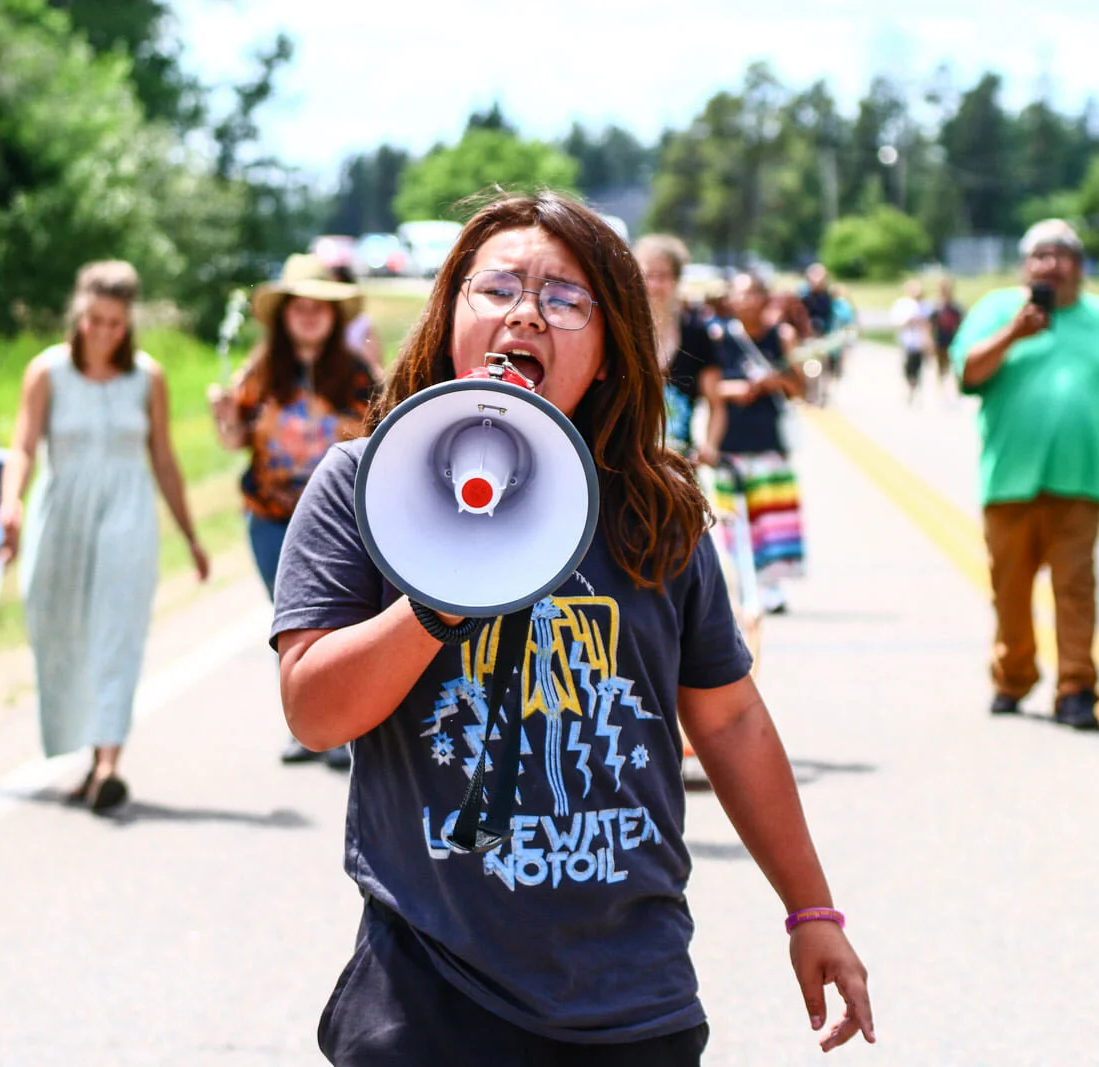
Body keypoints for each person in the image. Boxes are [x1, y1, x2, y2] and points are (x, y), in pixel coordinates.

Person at [271, 192, 872, 1065]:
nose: (526, 312)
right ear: (448, 322)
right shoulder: (365, 486)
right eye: (499, 288)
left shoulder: (654, 507)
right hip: (430, 993)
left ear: (608, 350)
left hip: (631, 998)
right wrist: (438, 598)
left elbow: (730, 719)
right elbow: (314, 711)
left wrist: (811, 910)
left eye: (565, 299)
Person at [0, 261, 210, 813]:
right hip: (60, 511)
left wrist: (190, 535)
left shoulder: (148, 377)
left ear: (128, 321)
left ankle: (109, 763)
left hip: (127, 513)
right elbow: (21, 446)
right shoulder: (46, 372)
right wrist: (9, 504)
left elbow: (163, 458)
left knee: (117, 629)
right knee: (59, 631)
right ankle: (89, 757)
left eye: (115, 322)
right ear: (78, 313)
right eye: (95, 319)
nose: (104, 332)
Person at [950, 219, 1099, 730]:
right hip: (1010, 480)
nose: (1051, 265)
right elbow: (968, 374)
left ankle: (1076, 687)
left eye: (1062, 255)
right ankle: (1012, 676)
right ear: (1026, 266)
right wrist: (1015, 332)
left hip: (1080, 478)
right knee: (1009, 589)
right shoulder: (997, 311)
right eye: (1040, 255)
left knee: (1076, 588)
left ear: (1079, 268)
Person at [207, 253, 376, 768]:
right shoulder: (260, 372)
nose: (308, 315)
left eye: (319, 307)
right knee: (293, 628)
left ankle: (344, 728)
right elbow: (236, 440)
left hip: (337, 523)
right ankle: (306, 727)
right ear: (283, 315)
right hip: (271, 520)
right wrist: (223, 418)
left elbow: (380, 436)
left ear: (334, 316)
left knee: (342, 623)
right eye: (298, 307)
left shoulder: (358, 375)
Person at [701, 271, 808, 615]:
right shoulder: (716, 337)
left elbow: (800, 388)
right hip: (729, 442)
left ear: (765, 298)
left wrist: (774, 382)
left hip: (768, 441)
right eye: (739, 294)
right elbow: (708, 387)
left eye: (752, 294)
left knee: (772, 520)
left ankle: (772, 587)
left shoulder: (783, 337)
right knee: (730, 519)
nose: (745, 300)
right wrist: (736, 390)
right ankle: (739, 585)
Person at [634, 233, 724, 463]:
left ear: (676, 280)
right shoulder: (624, 332)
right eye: (648, 275)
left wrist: (710, 445)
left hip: (680, 462)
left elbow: (716, 403)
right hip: (629, 461)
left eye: (663, 276)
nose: (654, 285)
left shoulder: (696, 334)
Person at [889, 279, 931, 403]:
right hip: (907, 341)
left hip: (920, 343)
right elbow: (896, 322)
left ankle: (916, 392)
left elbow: (929, 325)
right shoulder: (903, 304)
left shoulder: (926, 306)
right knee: (907, 368)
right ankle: (909, 387)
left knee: (919, 368)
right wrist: (908, 321)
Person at [926, 275, 964, 394]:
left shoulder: (956, 307)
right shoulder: (936, 306)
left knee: (956, 367)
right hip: (940, 340)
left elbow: (962, 324)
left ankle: (957, 391)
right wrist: (929, 340)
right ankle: (941, 391)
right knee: (940, 367)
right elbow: (930, 325)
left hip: (953, 341)